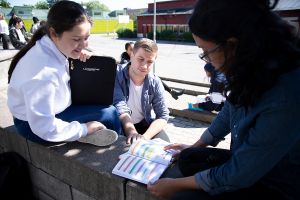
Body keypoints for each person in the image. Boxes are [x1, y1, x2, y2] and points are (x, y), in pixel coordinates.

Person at [148, 0, 300, 199]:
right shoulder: (250, 62)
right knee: (187, 158)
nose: (206, 60)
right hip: (248, 162)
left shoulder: (285, 92)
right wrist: (195, 146)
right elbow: (230, 109)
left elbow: (240, 172)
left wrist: (175, 184)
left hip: (275, 182)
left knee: (182, 196)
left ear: (232, 44)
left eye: (206, 52)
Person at [7, 1, 122, 145]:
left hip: (54, 110)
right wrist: (84, 128)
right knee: (110, 114)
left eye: (86, 37)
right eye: (77, 39)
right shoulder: (43, 72)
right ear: (54, 33)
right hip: (32, 126)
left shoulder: (51, 45)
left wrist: (78, 52)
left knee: (105, 107)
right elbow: (44, 127)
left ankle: (77, 135)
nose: (85, 44)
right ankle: (120, 155)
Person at [113, 38, 170, 144]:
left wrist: (145, 138)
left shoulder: (155, 82)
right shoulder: (116, 74)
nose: (144, 66)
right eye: (140, 59)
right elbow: (120, 106)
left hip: (143, 124)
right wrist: (132, 132)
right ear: (132, 55)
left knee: (165, 145)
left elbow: (162, 115)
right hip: (119, 124)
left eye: (149, 62)